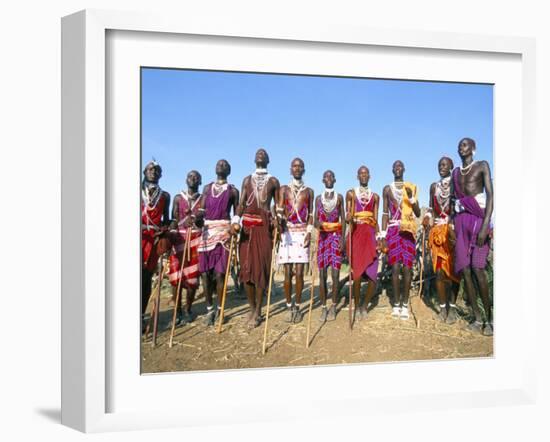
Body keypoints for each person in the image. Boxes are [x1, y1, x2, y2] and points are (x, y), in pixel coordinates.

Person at [231, 149, 280, 328]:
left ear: (268, 159)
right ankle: (251, 308)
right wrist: (235, 221)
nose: (260, 154)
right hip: (246, 230)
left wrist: (277, 220)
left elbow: (278, 205)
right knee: (246, 270)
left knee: (261, 270)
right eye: (258, 153)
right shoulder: (246, 180)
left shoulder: (273, 181)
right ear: (254, 159)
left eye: (264, 153)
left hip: (264, 228)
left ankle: (259, 310)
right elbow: (241, 205)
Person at [451, 138, 494, 335]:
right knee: (465, 270)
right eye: (460, 145)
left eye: (466, 144)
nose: (462, 147)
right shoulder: (455, 173)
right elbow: (453, 200)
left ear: (473, 149)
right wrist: (453, 226)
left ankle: (491, 318)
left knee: (478, 269)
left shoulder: (482, 166)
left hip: (478, 219)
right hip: (461, 221)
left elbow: (491, 196)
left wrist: (485, 226)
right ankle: (477, 318)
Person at [196, 160, 239, 326]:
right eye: (218, 164)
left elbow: (237, 213)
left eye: (224, 165)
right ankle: (209, 309)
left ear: (229, 170)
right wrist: (197, 220)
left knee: (220, 274)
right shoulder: (207, 189)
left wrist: (235, 226)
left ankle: (220, 310)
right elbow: (201, 211)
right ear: (214, 169)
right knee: (205, 274)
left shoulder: (233, 190)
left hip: (224, 233)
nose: (220, 166)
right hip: (207, 233)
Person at [381, 160, 421, 320]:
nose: (397, 168)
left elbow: (417, 213)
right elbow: (385, 213)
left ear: (404, 169)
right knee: (395, 268)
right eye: (395, 166)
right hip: (393, 231)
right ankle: (396, 304)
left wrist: (411, 199)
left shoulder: (411, 187)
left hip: (408, 231)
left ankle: (405, 304)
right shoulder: (387, 189)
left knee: (407, 269)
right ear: (392, 170)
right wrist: (382, 236)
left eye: (400, 166)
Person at [276, 158, 314, 323]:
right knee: (287, 274)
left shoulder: (309, 191)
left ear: (303, 170)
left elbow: (311, 214)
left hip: (301, 233)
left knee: (299, 273)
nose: (297, 168)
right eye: (294, 166)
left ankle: (298, 307)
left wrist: (309, 232)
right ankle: (288, 305)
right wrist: (278, 221)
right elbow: (279, 208)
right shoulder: (283, 189)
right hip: (287, 232)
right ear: (290, 169)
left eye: (300, 166)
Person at [423, 157, 460, 324]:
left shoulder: (457, 184)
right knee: (439, 272)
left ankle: (452, 306)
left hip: (452, 231)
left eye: (444, 165)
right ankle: (443, 306)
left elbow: (459, 205)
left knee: (453, 272)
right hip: (438, 232)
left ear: (451, 166)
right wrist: (427, 217)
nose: (441, 167)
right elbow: (431, 207)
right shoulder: (433, 187)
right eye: (439, 165)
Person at [167, 170, 202, 325]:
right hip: (179, 239)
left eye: (196, 177)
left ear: (200, 182)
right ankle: (177, 311)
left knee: (192, 277)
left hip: (196, 238)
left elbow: (204, 220)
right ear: (186, 179)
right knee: (176, 276)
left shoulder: (203, 199)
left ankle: (188, 309)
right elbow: (173, 220)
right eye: (190, 176)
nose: (193, 179)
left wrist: (195, 222)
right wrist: (179, 225)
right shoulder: (177, 198)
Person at [346, 166, 380, 321]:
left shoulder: (375, 196)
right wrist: (349, 217)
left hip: (371, 235)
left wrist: (379, 237)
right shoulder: (351, 194)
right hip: (357, 234)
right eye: (361, 174)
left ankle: (365, 306)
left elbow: (376, 218)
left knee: (373, 275)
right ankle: (357, 303)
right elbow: (348, 215)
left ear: (370, 176)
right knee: (358, 274)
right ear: (357, 176)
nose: (364, 176)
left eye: (366, 174)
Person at [141, 160, 171, 322]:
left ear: (161, 174)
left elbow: (166, 220)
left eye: (157, 170)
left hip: (153, 240)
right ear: (144, 172)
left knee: (146, 279)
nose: (153, 171)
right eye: (150, 169)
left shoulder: (165, 196)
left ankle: (140, 316)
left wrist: (165, 230)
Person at [314, 170, 345, 322]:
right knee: (322, 275)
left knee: (335, 274)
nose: (328, 178)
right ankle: (323, 307)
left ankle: (333, 305)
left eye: (331, 176)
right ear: (322, 180)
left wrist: (343, 240)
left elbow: (344, 220)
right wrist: (317, 224)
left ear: (335, 179)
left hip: (335, 237)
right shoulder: (318, 199)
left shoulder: (339, 198)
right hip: (323, 239)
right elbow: (314, 220)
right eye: (326, 176)